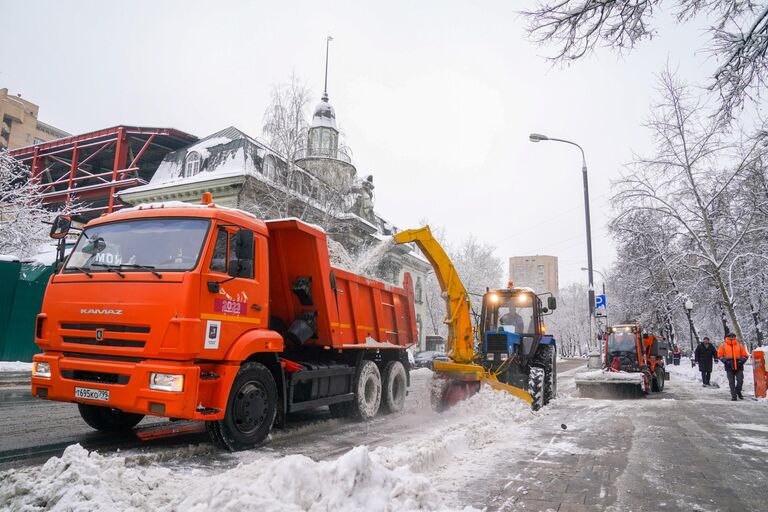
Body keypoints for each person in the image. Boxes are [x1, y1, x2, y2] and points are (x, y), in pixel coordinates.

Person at [717, 332, 750, 401]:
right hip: (729, 365)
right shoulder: (723, 346)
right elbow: (720, 355)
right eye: (730, 336)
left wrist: (741, 361)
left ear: (735, 337)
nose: (731, 337)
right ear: (727, 337)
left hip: (739, 365)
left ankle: (738, 391)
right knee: (731, 382)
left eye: (733, 336)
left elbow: (745, 355)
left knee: (740, 380)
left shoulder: (740, 345)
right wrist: (726, 361)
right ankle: (734, 396)